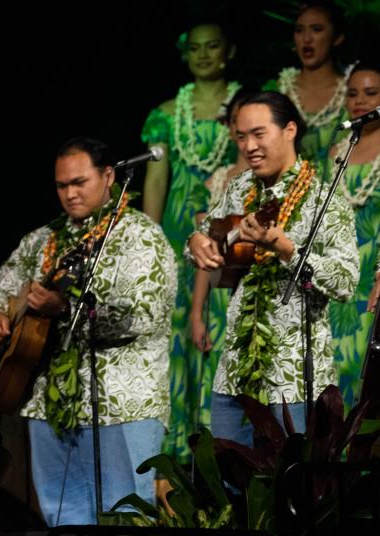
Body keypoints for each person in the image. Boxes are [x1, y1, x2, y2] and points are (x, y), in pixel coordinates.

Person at [0, 137, 176, 526]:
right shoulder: (42, 241)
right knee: (62, 517)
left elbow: (143, 315)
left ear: (109, 176)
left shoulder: (141, 236)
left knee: (127, 515)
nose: (70, 194)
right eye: (62, 185)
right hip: (50, 404)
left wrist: (66, 309)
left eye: (80, 182)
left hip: (122, 402)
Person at [186, 91, 359, 444]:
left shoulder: (324, 199)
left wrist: (286, 249)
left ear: (289, 130)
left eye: (259, 134)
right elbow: (207, 235)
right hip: (235, 374)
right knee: (230, 473)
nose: (249, 146)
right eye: (241, 136)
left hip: (293, 378)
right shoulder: (239, 188)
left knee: (291, 476)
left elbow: (345, 282)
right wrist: (195, 243)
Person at [141, 20, 241, 463]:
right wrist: (151, 241)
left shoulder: (242, 106)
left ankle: (219, 435)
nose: (203, 55)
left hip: (226, 223)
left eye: (212, 46)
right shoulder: (165, 114)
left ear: (228, 51)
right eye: (195, 48)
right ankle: (179, 442)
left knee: (217, 321)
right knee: (179, 327)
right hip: (179, 227)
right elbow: (156, 180)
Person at [189, 89, 253, 431]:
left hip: (255, 295)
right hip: (219, 295)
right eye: (237, 123)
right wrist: (197, 313)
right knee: (220, 380)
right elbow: (207, 254)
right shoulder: (217, 182)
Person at [324, 60, 380, 405]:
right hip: (339, 271)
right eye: (353, 93)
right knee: (333, 365)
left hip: (374, 272)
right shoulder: (337, 150)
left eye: (371, 93)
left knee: (363, 368)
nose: (360, 101)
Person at [265, 1, 351, 166]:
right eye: (299, 30)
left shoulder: (354, 92)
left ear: (337, 37)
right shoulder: (277, 89)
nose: (306, 38)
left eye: (316, 29)